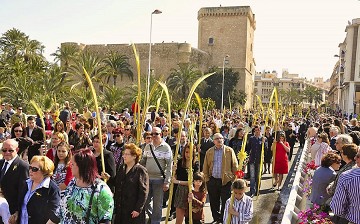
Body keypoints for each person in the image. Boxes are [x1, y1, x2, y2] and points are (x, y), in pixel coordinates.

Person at [54, 148, 114, 223]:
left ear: (82, 166)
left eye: (72, 164)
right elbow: (60, 212)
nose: (70, 166)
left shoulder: (101, 189)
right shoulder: (72, 183)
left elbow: (105, 220)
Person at [11, 156, 60, 224]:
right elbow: (21, 205)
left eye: (34, 169)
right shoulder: (26, 183)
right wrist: (16, 213)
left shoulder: (52, 189)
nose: (30, 171)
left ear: (44, 171)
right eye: (30, 167)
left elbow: (55, 213)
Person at [203, 133, 238, 223]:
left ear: (223, 140)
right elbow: (205, 167)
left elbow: (235, 165)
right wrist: (207, 179)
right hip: (213, 180)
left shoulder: (229, 151)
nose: (219, 140)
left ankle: (223, 218)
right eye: (217, 138)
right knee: (214, 202)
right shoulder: (209, 152)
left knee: (225, 201)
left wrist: (234, 178)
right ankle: (216, 218)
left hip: (225, 181)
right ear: (213, 141)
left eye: (221, 138)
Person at [141, 127, 172, 224]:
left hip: (159, 180)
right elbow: (143, 161)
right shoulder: (147, 146)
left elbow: (169, 166)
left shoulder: (166, 148)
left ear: (161, 134)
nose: (154, 136)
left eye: (156, 134)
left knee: (157, 204)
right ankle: (152, 216)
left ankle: (155, 222)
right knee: (144, 202)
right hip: (147, 179)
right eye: (152, 134)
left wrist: (167, 181)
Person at [114, 143, 149, 224]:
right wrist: (108, 177)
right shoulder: (122, 168)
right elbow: (117, 183)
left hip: (133, 210)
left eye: (127, 154)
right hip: (121, 208)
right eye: (124, 154)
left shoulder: (141, 170)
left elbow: (143, 192)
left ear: (134, 156)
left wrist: (138, 209)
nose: (124, 156)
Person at [0, 139, 29, 215]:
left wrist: (17, 212)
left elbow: (23, 191)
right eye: (4, 150)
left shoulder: (23, 167)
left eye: (10, 150)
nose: (7, 153)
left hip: (12, 211)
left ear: (17, 150)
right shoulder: (0, 163)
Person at [172, 143, 200, 224]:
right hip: (180, 192)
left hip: (191, 192)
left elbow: (193, 181)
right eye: (186, 152)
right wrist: (173, 171)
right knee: (179, 220)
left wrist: (178, 182)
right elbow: (174, 178)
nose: (188, 154)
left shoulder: (196, 164)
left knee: (191, 220)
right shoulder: (180, 162)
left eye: (190, 152)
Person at [247, 126, 267, 197]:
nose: (257, 131)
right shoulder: (251, 138)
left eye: (258, 130)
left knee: (258, 176)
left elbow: (266, 149)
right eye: (255, 130)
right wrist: (246, 157)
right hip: (252, 159)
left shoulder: (263, 138)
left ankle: (257, 190)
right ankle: (252, 191)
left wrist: (263, 143)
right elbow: (248, 148)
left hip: (259, 160)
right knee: (252, 176)